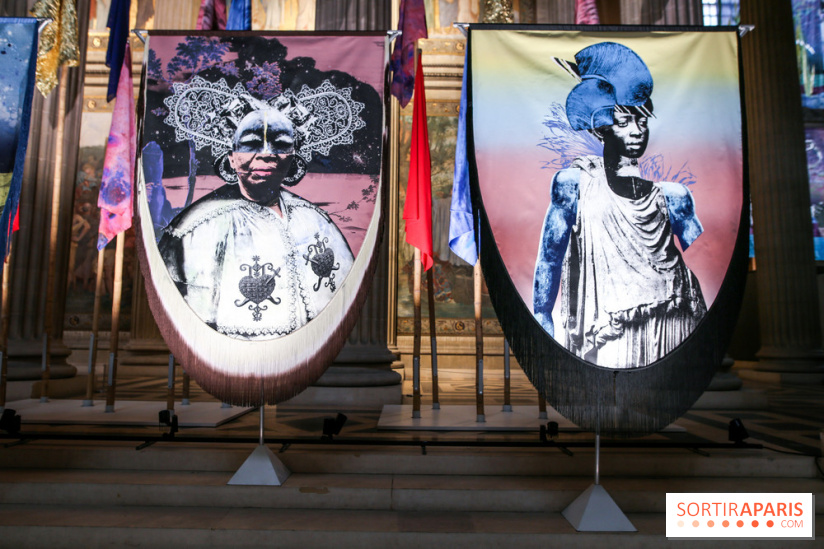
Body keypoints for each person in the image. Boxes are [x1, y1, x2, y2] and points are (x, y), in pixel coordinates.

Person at [533, 42, 706, 369]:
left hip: (674, 313)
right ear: (602, 128)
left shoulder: (674, 196)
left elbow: (707, 254)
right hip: (611, 325)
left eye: (642, 121)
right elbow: (549, 258)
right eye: (625, 121)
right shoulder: (574, 184)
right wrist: (542, 315)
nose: (638, 131)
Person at [158, 94, 354, 340]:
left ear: (294, 158)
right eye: (251, 144)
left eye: (280, 144)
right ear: (231, 157)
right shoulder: (196, 227)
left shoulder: (316, 220)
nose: (266, 154)